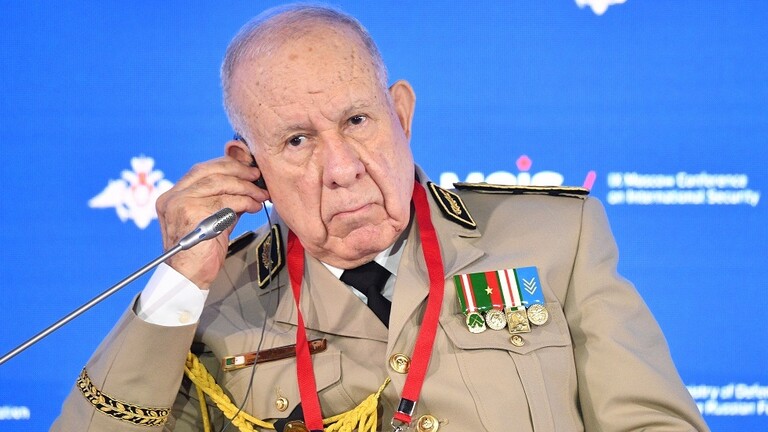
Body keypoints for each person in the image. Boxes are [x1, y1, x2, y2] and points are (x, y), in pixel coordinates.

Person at [52, 4, 708, 432]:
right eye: (297, 141)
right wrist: (179, 284)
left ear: (401, 113)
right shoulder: (213, 300)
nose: (342, 168)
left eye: (357, 120)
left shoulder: (555, 239)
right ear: (250, 166)